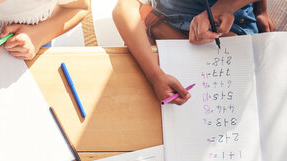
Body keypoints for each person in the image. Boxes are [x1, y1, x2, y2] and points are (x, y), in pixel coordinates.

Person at [112, 0, 272, 105]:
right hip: (172, 21)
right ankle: (158, 26)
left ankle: (158, 27)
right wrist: (155, 76)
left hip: (233, 28)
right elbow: (123, 8)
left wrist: (230, 7)